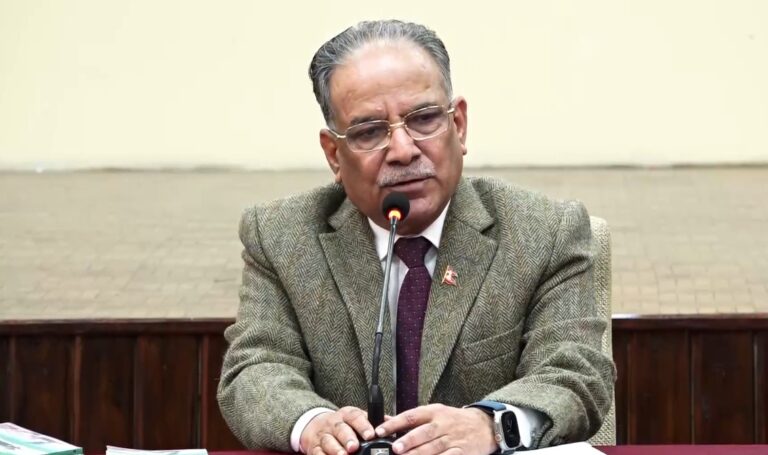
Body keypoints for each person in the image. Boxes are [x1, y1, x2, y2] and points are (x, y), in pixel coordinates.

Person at [218, 19, 615, 455]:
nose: (403, 150)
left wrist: (491, 425)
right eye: (370, 132)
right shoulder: (281, 235)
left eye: (424, 120)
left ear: (458, 125)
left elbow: (575, 374)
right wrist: (313, 423)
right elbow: (255, 369)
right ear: (334, 155)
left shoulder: (544, 231)